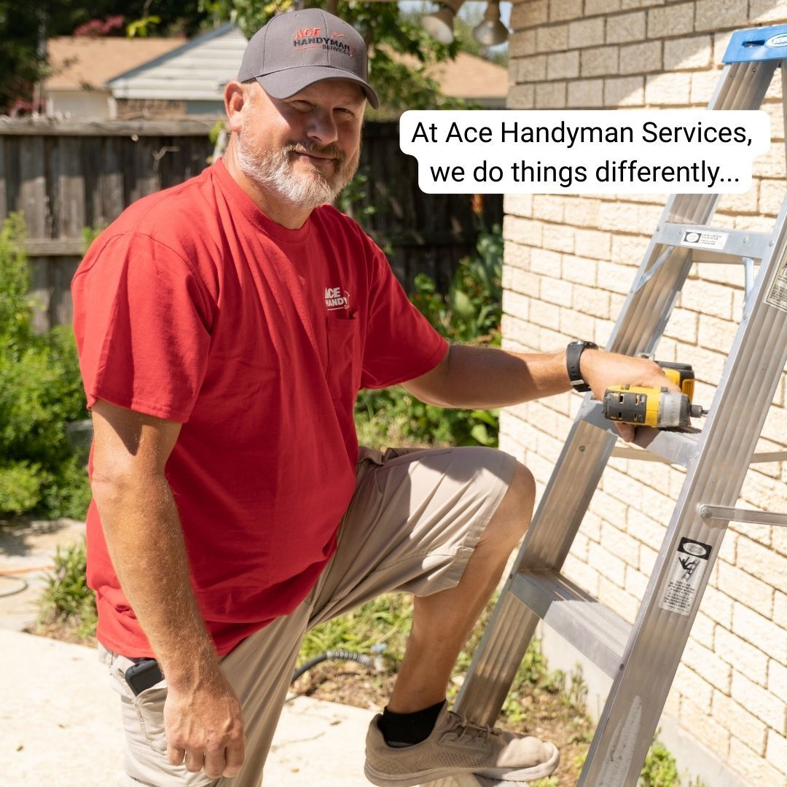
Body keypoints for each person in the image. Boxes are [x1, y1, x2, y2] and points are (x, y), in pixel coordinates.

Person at [71, 8, 676, 787]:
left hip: (311, 557)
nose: (323, 131)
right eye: (299, 107)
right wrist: (190, 678)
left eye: (343, 114)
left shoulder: (338, 246)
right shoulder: (164, 249)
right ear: (236, 104)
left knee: (493, 491)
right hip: (203, 618)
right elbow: (123, 478)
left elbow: (442, 368)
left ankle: (410, 734)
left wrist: (583, 362)